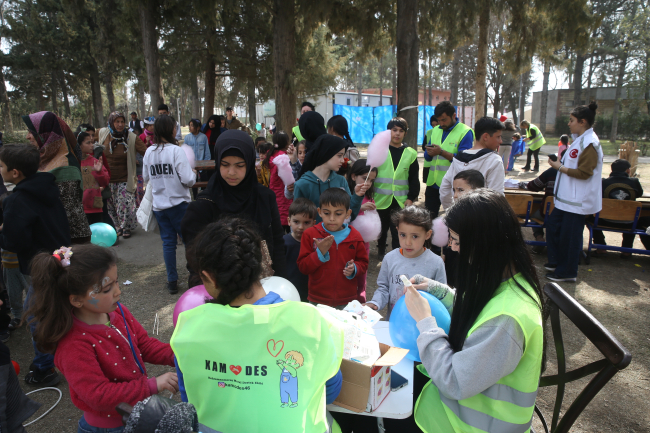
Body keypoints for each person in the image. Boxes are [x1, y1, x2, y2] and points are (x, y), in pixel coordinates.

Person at [391, 189, 543, 433]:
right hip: (457, 407)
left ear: (483, 242)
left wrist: (425, 321)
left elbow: (455, 381)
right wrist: (439, 291)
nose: (452, 247)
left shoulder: (506, 320)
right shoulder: (507, 276)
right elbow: (479, 312)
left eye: (457, 240)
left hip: (465, 424)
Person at [172, 218, 343, 432]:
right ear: (260, 263)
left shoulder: (189, 327)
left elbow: (190, 399)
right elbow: (331, 390)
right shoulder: (309, 320)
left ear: (208, 278)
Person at [26, 244, 176, 432]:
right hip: (108, 427)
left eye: (117, 282)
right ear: (76, 300)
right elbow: (99, 395)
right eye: (106, 289)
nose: (117, 292)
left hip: (135, 414)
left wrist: (177, 356)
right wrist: (153, 385)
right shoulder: (74, 344)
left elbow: (143, 345)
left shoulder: (118, 311)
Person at [0, 143, 70, 386]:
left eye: (1, 166)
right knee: (60, 307)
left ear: (15, 172)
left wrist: (3, 232)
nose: (0, 169)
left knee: (35, 317)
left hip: (41, 267)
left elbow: (14, 241)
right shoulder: (47, 187)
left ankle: (44, 367)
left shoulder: (16, 200)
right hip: (62, 256)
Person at [181, 130, 287, 288]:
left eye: (239, 165)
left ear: (250, 163)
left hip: (263, 289)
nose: (231, 172)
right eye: (225, 165)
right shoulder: (203, 207)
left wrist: (281, 284)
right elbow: (196, 262)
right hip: (221, 292)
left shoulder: (265, 198)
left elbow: (277, 242)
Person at [546, 102, 603, 283]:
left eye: (572, 120)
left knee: (570, 238)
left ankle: (567, 271)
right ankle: (557, 262)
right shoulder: (580, 138)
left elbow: (585, 173)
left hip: (577, 201)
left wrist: (559, 167)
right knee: (553, 227)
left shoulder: (590, 142)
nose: (569, 124)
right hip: (567, 199)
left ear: (583, 122)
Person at [143, 116, 196, 295]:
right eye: (175, 127)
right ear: (171, 130)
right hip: (179, 203)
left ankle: (172, 280)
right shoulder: (176, 151)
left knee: (168, 243)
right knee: (189, 241)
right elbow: (188, 179)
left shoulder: (149, 151)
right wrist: (193, 173)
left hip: (160, 205)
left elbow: (145, 177)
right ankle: (195, 276)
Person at [365, 205, 445, 318]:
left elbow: (442, 295)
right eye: (403, 235)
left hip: (425, 327)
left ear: (427, 235)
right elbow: (384, 288)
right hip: (395, 324)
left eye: (415, 236)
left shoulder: (436, 263)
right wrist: (375, 303)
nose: (408, 242)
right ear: (397, 231)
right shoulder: (390, 258)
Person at [23, 111, 91, 243]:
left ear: (46, 134)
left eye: (32, 132)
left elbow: (67, 212)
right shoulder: (42, 159)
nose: (27, 137)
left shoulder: (65, 165)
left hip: (68, 240)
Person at [297, 188, 369, 308]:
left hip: (347, 300)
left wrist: (355, 268)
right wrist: (319, 254)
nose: (331, 218)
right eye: (326, 213)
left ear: (348, 214)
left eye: (338, 213)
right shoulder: (310, 234)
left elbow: (364, 264)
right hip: (318, 299)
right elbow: (303, 267)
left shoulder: (355, 237)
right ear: (319, 212)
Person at [293, 135, 367, 223]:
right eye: (339, 155)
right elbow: (298, 221)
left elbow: (349, 216)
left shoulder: (341, 181)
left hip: (338, 236)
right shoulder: (302, 185)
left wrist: (357, 196)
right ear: (326, 153)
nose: (343, 160)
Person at [376, 117, 420, 258]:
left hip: (400, 200)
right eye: (394, 130)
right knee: (381, 228)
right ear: (388, 132)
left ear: (405, 134)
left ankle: (397, 254)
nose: (397, 133)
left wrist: (411, 197)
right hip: (380, 199)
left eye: (401, 131)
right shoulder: (379, 149)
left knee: (398, 229)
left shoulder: (411, 153)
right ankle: (381, 249)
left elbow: (414, 178)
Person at [439, 117, 505, 210]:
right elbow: (497, 196)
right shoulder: (494, 160)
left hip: (459, 216)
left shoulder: (458, 158)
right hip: (482, 219)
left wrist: (451, 211)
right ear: (485, 137)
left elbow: (444, 188)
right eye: (498, 136)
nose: (501, 141)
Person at [99, 112, 147, 239]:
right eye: (117, 122)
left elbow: (146, 152)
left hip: (125, 178)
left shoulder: (130, 137)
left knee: (125, 202)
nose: (120, 125)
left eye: (122, 122)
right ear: (111, 122)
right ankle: (117, 226)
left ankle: (126, 226)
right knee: (111, 205)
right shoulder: (103, 134)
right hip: (107, 179)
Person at [422, 102, 474, 219]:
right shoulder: (436, 130)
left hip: (453, 184)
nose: (441, 123)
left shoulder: (465, 132)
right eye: (439, 120)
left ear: (453, 115)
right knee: (429, 219)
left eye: (444, 120)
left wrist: (441, 152)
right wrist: (429, 152)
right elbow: (427, 156)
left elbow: (464, 160)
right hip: (433, 183)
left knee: (454, 218)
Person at [591, 159, 650, 256]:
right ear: (628, 170)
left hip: (603, 220)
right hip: (629, 222)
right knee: (636, 219)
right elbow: (639, 193)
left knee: (589, 217)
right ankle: (626, 250)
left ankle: (600, 246)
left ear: (612, 170)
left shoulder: (603, 182)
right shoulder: (634, 182)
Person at [346, 159, 377, 302]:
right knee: (349, 274)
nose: (368, 183)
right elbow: (344, 218)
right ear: (353, 176)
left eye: (371, 180)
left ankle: (361, 301)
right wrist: (359, 208)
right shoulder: (346, 195)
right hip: (349, 244)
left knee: (361, 276)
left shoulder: (369, 196)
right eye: (365, 178)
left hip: (364, 244)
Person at [519, 158, 561, 252]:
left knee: (534, 216)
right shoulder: (578, 173)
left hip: (548, 213)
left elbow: (533, 186)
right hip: (569, 213)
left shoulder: (552, 171)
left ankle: (539, 237)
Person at [284, 198, 317, 302]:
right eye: (296, 222)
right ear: (289, 221)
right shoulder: (283, 243)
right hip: (288, 292)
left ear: (313, 223)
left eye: (306, 222)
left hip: (310, 293)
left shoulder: (316, 244)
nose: (301, 227)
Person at [78, 131, 110, 225]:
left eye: (92, 142)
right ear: (79, 145)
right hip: (81, 206)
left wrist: (99, 172)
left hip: (95, 206)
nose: (92, 145)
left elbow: (105, 181)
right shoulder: (74, 162)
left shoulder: (95, 162)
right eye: (88, 143)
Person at [266, 131, 293, 232]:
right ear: (286, 142)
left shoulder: (272, 155)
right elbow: (289, 180)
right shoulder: (283, 158)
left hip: (275, 193)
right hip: (284, 195)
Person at [422, 115, 439, 183]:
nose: (435, 126)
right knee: (429, 183)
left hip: (437, 164)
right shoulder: (429, 132)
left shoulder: (443, 132)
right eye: (433, 125)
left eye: (436, 124)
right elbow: (423, 147)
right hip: (428, 164)